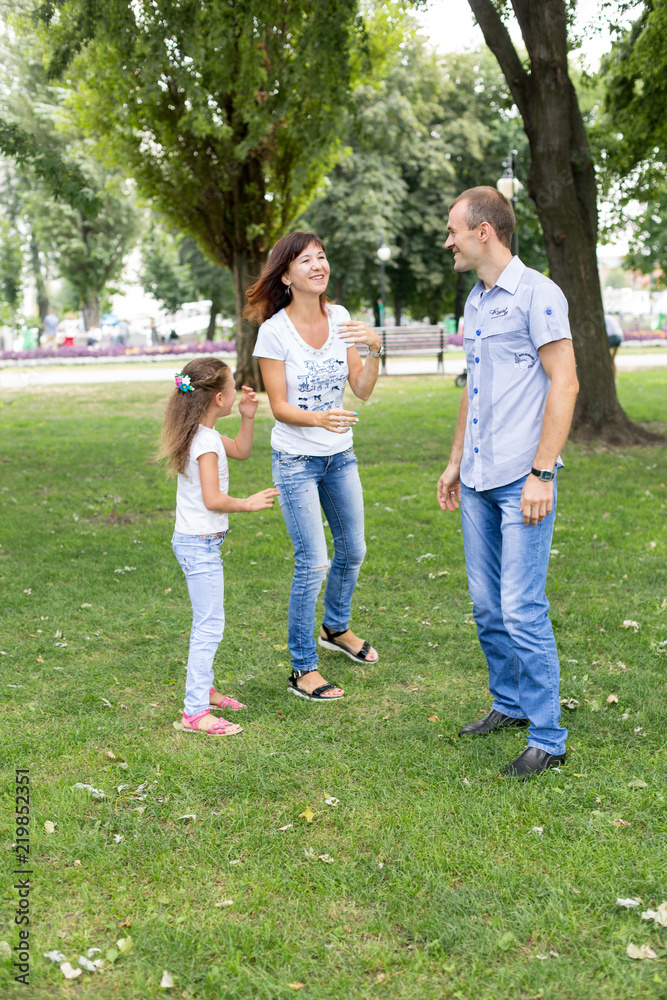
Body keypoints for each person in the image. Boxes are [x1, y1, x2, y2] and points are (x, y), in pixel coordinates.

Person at [437, 187, 579, 779]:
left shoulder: (538, 294)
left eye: (453, 231)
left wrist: (543, 473)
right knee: (486, 606)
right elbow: (474, 387)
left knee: (522, 607)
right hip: (476, 477)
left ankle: (548, 736)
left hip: (524, 478)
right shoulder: (475, 301)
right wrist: (453, 464)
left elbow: (565, 383)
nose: (448, 241)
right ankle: (510, 703)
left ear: (484, 233)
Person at [247, 231, 384, 701]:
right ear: (286, 274)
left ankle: (335, 628)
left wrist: (375, 349)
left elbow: (362, 389)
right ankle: (303, 667)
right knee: (314, 561)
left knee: (354, 548)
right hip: (295, 459)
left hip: (340, 455)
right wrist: (319, 418)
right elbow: (279, 407)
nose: (318, 266)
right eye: (306, 260)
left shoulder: (341, 318)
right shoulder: (273, 332)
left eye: (322, 257)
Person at [160, 357, 278, 735]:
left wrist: (248, 417)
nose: (237, 391)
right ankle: (194, 712)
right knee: (209, 625)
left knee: (208, 621)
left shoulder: (200, 432)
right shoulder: (204, 442)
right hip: (199, 544)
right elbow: (213, 498)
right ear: (217, 398)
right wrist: (247, 503)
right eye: (233, 387)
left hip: (196, 541)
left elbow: (242, 451)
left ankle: (205, 690)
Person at [605, 313, 623, 379]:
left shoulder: (604, 319)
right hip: (619, 336)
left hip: (612, 337)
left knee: (609, 360)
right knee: (612, 360)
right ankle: (614, 378)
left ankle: (611, 378)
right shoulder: (611, 317)